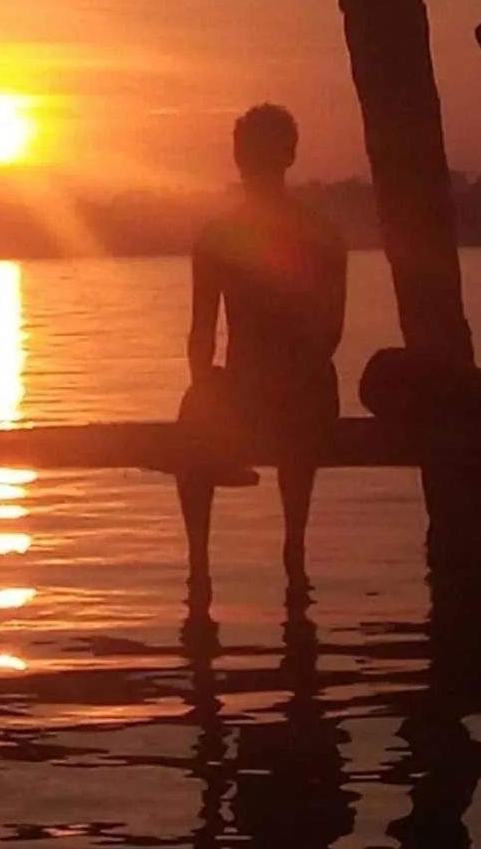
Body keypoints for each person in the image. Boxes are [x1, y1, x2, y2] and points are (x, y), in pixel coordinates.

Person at [177, 103, 347, 607]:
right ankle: (281, 554)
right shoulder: (319, 234)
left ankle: (202, 568)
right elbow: (330, 331)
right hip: (290, 388)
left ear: (238, 159)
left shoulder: (220, 237)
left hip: (285, 389)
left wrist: (214, 389)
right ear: (290, 156)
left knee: (197, 409)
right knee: (198, 408)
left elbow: (201, 339)